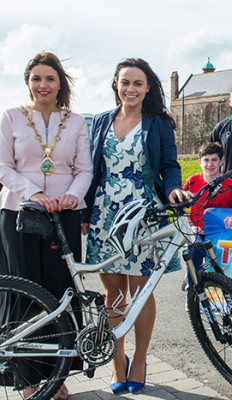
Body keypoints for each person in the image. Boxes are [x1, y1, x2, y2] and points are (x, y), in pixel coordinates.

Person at [81, 58, 190, 394]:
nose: (130, 89)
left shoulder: (157, 122)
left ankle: (140, 358)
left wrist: (173, 187)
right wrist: (84, 214)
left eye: (137, 83)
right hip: (105, 214)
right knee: (113, 292)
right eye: (125, 82)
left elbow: (170, 164)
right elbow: (89, 168)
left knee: (141, 292)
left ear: (147, 88)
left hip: (144, 212)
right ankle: (118, 360)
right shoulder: (100, 120)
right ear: (116, 84)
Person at [0, 51, 92, 400]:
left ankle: (57, 372)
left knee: (59, 291)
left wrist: (72, 195)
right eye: (37, 78)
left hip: (64, 213)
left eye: (50, 78)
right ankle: (26, 378)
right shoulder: (11, 117)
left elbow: (84, 169)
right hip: (20, 212)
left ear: (60, 83)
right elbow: (2, 166)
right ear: (28, 82)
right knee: (24, 292)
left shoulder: (77, 121)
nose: (43, 85)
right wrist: (34, 192)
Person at [182, 142, 232, 281]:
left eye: (214, 160)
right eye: (206, 160)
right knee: (195, 249)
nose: (210, 164)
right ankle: (191, 287)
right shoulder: (191, 182)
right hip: (197, 232)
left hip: (222, 233)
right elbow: (180, 209)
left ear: (221, 161)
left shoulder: (230, 185)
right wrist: (191, 227)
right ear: (199, 162)